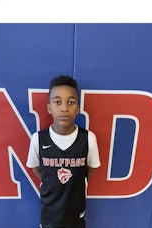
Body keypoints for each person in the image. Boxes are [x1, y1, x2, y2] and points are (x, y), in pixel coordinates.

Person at [26, 75, 101, 228]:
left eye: (71, 102)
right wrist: (50, 181)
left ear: (78, 108)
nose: (64, 108)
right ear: (49, 108)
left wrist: (81, 182)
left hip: (76, 212)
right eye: (57, 102)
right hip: (49, 213)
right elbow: (35, 169)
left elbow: (91, 169)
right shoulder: (38, 139)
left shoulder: (88, 138)